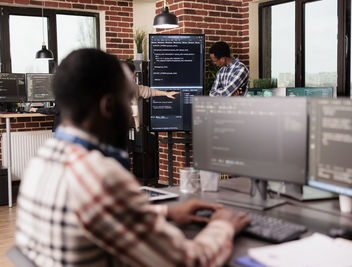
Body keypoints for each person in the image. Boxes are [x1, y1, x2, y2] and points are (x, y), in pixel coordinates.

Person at [15, 48, 250, 266]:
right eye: (127, 99)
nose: (130, 109)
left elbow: (100, 215)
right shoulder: (101, 175)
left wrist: (166, 212)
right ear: (108, 106)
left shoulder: (40, 161)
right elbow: (188, 260)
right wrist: (223, 225)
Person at [125, 62, 179, 130]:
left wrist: (166, 94)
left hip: (130, 129)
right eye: (134, 74)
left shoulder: (134, 87)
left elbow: (149, 91)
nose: (135, 77)